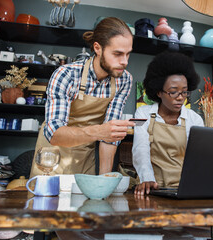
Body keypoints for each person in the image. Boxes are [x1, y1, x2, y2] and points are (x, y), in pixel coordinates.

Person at [30, 17, 135, 177]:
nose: (124, 62)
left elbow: (109, 137)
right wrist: (100, 131)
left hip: (85, 158)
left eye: (128, 54)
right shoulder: (66, 75)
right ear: (98, 48)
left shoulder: (124, 80)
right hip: (50, 159)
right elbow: (55, 133)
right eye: (118, 54)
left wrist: (103, 180)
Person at [132, 51, 204, 195]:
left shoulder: (195, 119)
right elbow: (140, 148)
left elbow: (197, 159)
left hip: (183, 189)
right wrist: (147, 179)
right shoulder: (141, 114)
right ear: (159, 92)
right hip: (152, 187)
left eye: (184, 92)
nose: (180, 98)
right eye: (173, 92)